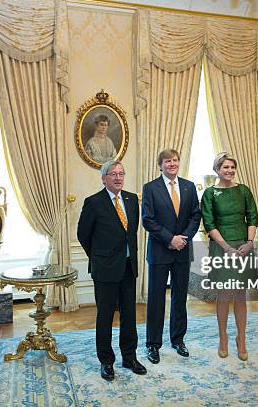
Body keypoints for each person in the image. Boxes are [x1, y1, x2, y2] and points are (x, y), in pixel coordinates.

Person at [77, 160, 147, 381]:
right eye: (113, 174)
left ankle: (129, 357)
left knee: (129, 315)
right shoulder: (93, 202)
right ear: (104, 178)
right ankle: (106, 361)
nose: (118, 178)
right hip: (105, 269)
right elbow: (83, 235)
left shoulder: (132, 199)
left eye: (121, 173)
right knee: (105, 316)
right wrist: (99, 257)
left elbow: (131, 233)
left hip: (128, 267)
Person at [142, 149, 201, 364]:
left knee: (180, 297)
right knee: (157, 299)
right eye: (168, 161)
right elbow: (148, 220)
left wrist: (183, 237)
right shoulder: (150, 188)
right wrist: (170, 239)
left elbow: (196, 215)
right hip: (160, 251)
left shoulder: (189, 186)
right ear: (161, 165)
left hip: (183, 251)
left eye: (175, 160)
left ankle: (178, 340)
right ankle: (153, 344)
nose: (172, 164)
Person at [201, 152, 258, 360]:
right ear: (217, 170)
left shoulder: (244, 191)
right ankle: (223, 337)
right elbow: (209, 223)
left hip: (243, 246)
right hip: (221, 247)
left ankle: (241, 339)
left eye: (232, 167)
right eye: (225, 167)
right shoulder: (209, 193)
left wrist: (249, 243)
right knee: (223, 295)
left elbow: (252, 216)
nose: (230, 170)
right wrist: (226, 248)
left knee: (241, 296)